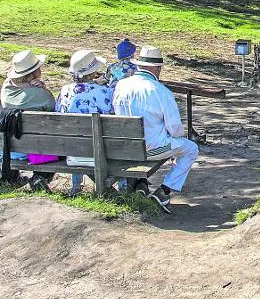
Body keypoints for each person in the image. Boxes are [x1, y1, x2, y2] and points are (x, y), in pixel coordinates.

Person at [112, 45, 199, 213]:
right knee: (191, 149)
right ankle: (164, 190)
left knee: (162, 142)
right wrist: (176, 140)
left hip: (124, 147)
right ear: (158, 68)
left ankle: (140, 184)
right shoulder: (161, 91)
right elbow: (175, 128)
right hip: (151, 148)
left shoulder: (121, 86)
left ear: (138, 65)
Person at [55, 50, 113, 194]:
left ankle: (76, 187)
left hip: (72, 151)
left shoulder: (64, 91)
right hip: (103, 152)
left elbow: (57, 113)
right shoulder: (105, 91)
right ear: (93, 72)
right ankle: (122, 189)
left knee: (78, 135)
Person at [0, 50, 56, 190]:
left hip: (9, 149)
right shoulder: (43, 95)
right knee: (56, 144)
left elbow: (15, 86)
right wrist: (42, 88)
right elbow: (53, 112)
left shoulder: (5, 90)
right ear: (34, 72)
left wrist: (28, 85)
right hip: (36, 153)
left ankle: (14, 179)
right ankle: (40, 177)